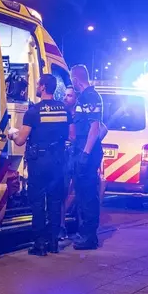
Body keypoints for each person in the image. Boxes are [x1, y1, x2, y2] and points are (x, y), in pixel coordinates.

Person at [8, 74, 69, 256]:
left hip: (39, 162)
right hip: (58, 161)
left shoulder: (34, 111)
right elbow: (70, 135)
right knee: (55, 201)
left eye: (37, 84)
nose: (36, 87)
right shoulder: (64, 109)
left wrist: (12, 133)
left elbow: (20, 140)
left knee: (37, 202)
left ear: (43, 87)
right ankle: (53, 243)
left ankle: (39, 244)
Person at [60, 85, 108, 240]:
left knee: (82, 193)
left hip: (78, 155)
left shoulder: (82, 113)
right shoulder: (64, 113)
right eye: (65, 95)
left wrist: (90, 144)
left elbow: (102, 128)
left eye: (69, 96)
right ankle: (61, 226)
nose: (66, 98)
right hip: (68, 156)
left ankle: (83, 229)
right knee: (64, 192)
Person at [69, 65, 104, 250]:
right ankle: (85, 234)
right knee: (82, 194)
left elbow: (94, 128)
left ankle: (89, 237)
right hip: (82, 150)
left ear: (75, 79)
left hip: (87, 152)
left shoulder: (90, 96)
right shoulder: (85, 97)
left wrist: (85, 154)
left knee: (88, 194)